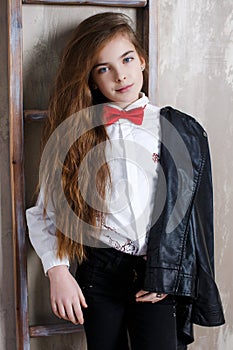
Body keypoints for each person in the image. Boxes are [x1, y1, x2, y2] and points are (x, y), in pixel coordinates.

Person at [26, 12, 225, 350]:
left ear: (142, 60)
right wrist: (57, 272)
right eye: (104, 68)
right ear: (91, 80)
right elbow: (44, 212)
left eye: (127, 59)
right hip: (98, 273)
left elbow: (193, 217)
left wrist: (170, 270)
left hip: (154, 273)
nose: (120, 75)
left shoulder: (177, 129)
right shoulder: (75, 136)